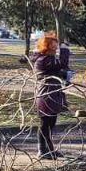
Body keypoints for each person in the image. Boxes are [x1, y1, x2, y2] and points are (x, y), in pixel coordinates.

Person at [30, 32, 71, 160]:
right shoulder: (43, 59)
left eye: (57, 45)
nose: (56, 47)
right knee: (45, 123)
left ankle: (49, 149)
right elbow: (61, 64)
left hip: (53, 93)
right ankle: (42, 150)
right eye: (54, 45)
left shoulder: (48, 59)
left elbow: (59, 71)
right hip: (46, 94)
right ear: (47, 46)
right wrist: (65, 50)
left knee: (51, 123)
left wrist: (66, 75)